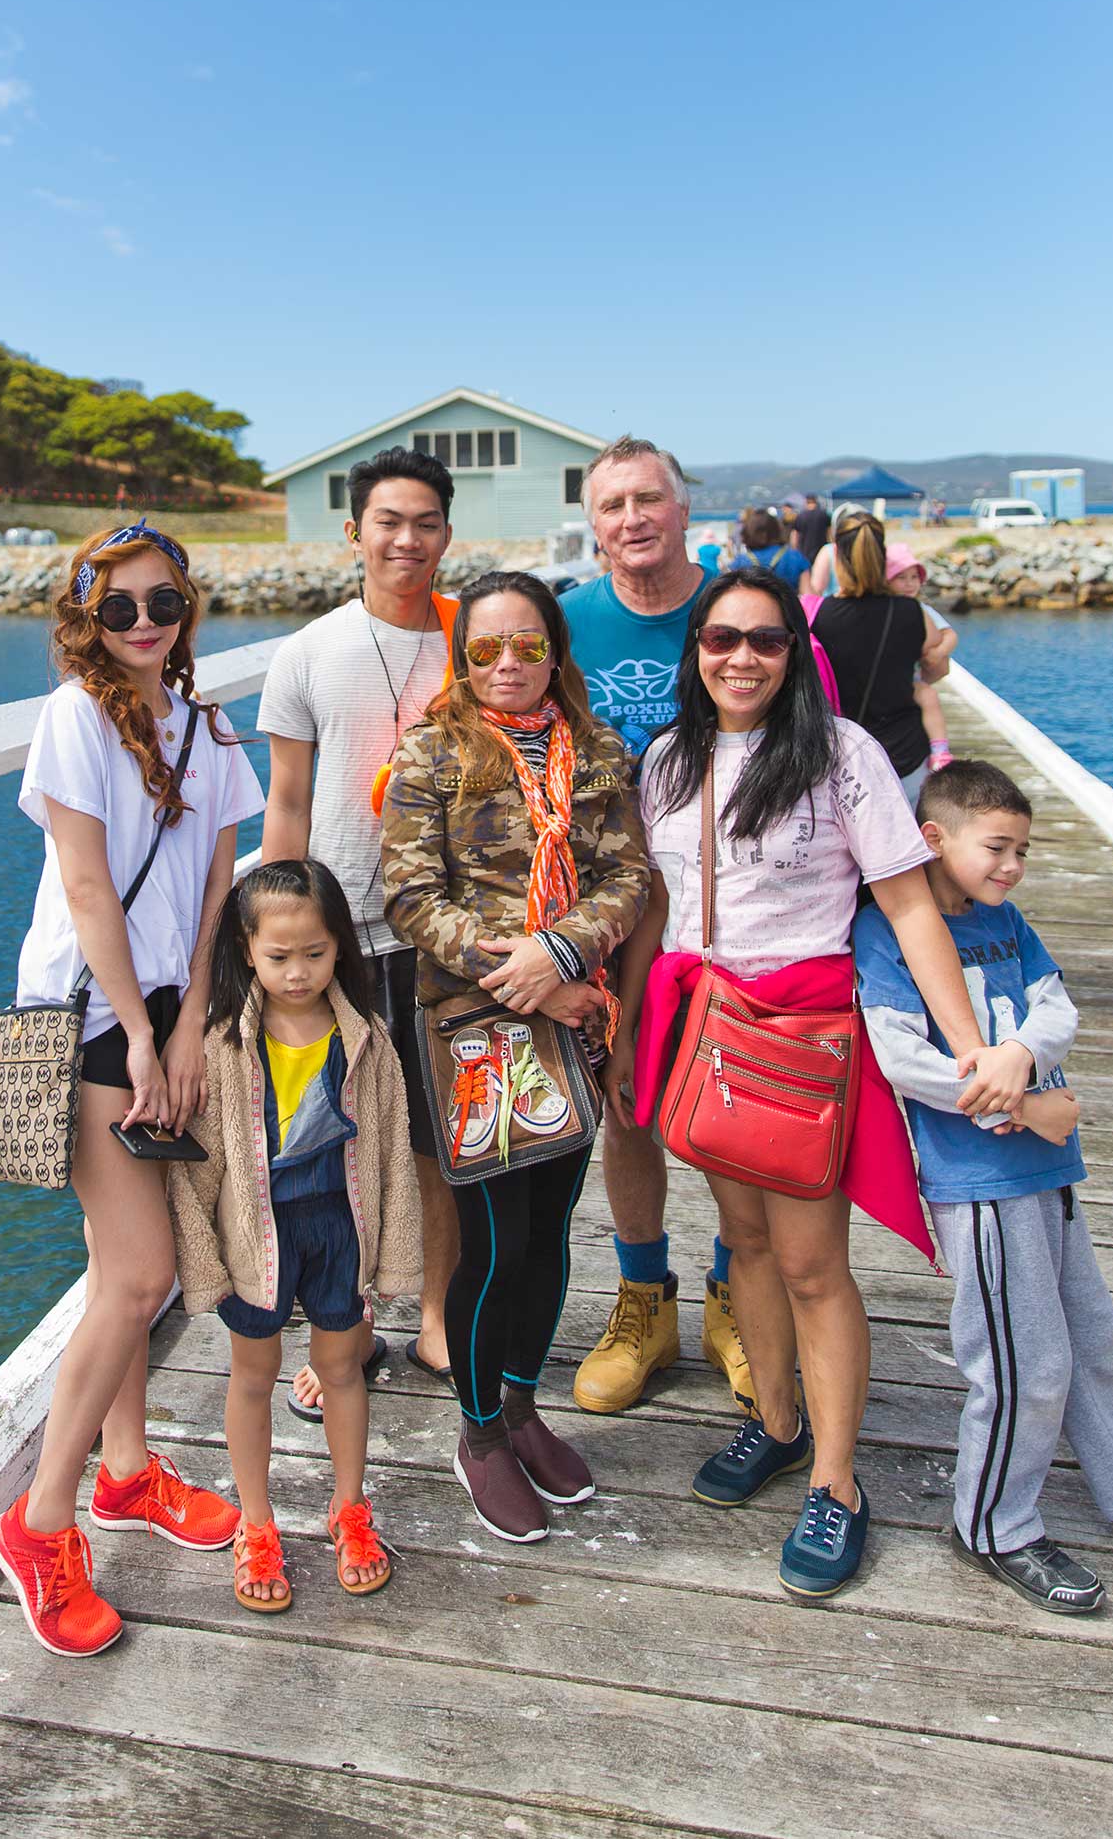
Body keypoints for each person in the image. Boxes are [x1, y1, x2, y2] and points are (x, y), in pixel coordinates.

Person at [609, 569, 1028, 1599]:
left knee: (809, 1263)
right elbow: (657, 910)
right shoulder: (668, 758)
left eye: (762, 639)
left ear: (794, 652)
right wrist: (628, 1033)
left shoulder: (841, 756)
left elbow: (910, 907)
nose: (739, 658)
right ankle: (777, 1425)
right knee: (742, 1242)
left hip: (801, 1033)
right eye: (719, 639)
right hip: (701, 1025)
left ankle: (837, 1483)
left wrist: (966, 1042)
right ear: (694, 650)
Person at [0, 520, 265, 1658]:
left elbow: (212, 887)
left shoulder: (201, 727)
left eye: (164, 603)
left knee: (118, 1270)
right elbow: (89, 887)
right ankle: (39, 1522)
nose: (146, 624)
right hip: (89, 1016)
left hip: (163, 1010)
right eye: (120, 610)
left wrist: (192, 1017)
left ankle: (125, 1473)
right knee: (141, 1272)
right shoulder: (76, 716)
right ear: (85, 621)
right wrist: (144, 1041)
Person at [855, 761, 1113, 1611]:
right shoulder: (887, 932)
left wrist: (1020, 1055)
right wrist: (1027, 1106)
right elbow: (901, 1055)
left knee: (1092, 1338)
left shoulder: (1006, 918)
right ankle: (993, 1520)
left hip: (1048, 1172)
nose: (1012, 866)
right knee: (1023, 1359)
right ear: (934, 837)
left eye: (1023, 850)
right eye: (997, 847)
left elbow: (1054, 1003)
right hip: (982, 1177)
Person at [382, 571, 649, 1542]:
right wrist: (523, 971)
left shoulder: (599, 753)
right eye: (485, 649)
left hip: (576, 1017)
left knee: (549, 1231)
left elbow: (626, 872)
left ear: (555, 654)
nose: (505, 666)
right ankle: (479, 1429)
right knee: (492, 1243)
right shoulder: (432, 754)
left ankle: (525, 1402)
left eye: (527, 647)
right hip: (475, 1030)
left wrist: (566, 956)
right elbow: (409, 897)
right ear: (462, 658)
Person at [259, 447, 460, 1418]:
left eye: (424, 522)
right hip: (336, 937)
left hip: (447, 933)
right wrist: (271, 936)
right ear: (353, 533)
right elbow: (286, 803)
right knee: (338, 1142)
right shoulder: (306, 652)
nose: (406, 539)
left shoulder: (474, 642)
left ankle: (438, 1313)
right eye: (387, 521)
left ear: (446, 536)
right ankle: (348, 1321)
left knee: (442, 1138)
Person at [167, 860, 422, 1610]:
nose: (298, 971)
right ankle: (257, 1522)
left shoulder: (367, 1037)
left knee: (342, 1369)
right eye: (278, 956)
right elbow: (202, 1165)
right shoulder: (222, 1043)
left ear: (340, 945)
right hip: (259, 1236)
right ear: (246, 950)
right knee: (252, 1374)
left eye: (314, 952)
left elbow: (389, 1149)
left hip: (339, 1226)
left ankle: (350, 1510)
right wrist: (204, 1262)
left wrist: (392, 1253)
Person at [561, 437, 752, 1415]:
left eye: (648, 500)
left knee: (728, 1111)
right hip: (611, 912)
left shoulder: (736, 614)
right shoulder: (566, 625)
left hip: (732, 907)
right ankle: (644, 1301)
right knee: (628, 1105)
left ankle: (735, 1297)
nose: (630, 518)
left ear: (683, 511)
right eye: (610, 506)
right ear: (592, 527)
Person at [812, 512, 947, 810]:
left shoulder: (818, 617)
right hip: (906, 758)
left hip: (844, 761)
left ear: (838, 556)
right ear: (881, 555)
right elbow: (937, 663)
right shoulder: (911, 611)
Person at [886, 543, 955, 771]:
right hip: (898, 678)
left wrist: (938, 652)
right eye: (901, 577)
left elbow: (950, 634)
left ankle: (940, 750)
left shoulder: (921, 608)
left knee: (929, 697)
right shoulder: (887, 610)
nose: (909, 583)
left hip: (914, 677)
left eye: (914, 577)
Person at [727, 508, 810, 590]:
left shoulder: (740, 561)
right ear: (777, 530)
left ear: (748, 532)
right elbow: (808, 595)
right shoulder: (795, 557)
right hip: (787, 602)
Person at [792, 494, 830, 567]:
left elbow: (795, 534)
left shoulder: (800, 516)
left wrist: (794, 549)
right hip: (821, 550)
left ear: (806, 502)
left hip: (804, 550)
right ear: (816, 502)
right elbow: (829, 532)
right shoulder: (824, 515)